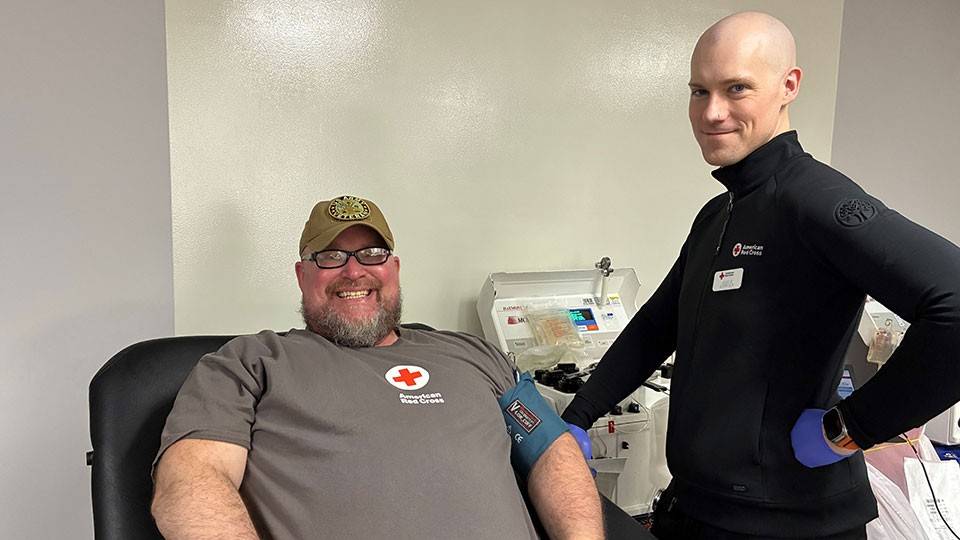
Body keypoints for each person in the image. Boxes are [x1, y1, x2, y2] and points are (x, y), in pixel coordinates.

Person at [562, 11, 960, 540]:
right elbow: (656, 326)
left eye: (736, 89)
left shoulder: (814, 199)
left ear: (788, 86)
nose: (712, 112)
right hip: (701, 509)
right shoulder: (719, 214)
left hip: (789, 524)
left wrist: (849, 430)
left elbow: (955, 307)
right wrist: (579, 415)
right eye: (699, 91)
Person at [151, 195, 604, 539]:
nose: (354, 272)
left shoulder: (474, 355)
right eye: (330, 256)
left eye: (372, 254)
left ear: (395, 268)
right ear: (302, 275)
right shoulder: (249, 363)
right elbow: (191, 483)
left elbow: (551, 448)